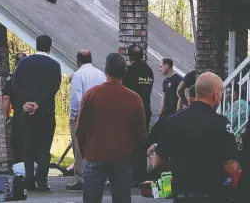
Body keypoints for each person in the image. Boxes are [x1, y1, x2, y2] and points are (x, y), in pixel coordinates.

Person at [153, 72, 240, 203]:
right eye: (221, 94)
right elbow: (231, 168)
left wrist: (179, 168)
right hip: (212, 194)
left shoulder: (172, 121)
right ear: (216, 95)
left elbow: (157, 162)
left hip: (182, 194)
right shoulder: (220, 123)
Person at [76, 53, 146, 203]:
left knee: (91, 199)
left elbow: (81, 129)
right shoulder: (134, 98)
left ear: (106, 70)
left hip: (95, 153)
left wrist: (85, 151)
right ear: (124, 73)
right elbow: (140, 134)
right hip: (122, 155)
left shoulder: (91, 94)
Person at [12, 35, 61, 191]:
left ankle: (29, 180)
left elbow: (15, 84)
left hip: (27, 112)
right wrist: (39, 103)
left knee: (29, 146)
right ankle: (41, 181)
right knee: (44, 148)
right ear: (49, 47)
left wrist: (26, 102)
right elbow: (54, 87)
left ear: (36, 45)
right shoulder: (54, 65)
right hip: (45, 111)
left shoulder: (24, 63)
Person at [66, 49, 106, 191]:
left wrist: (74, 117)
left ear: (78, 60)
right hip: (99, 116)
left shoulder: (79, 75)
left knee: (79, 147)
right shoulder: (101, 74)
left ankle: (81, 178)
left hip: (83, 116)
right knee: (96, 145)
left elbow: (77, 99)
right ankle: (98, 175)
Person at [123, 44, 154, 133]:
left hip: (132, 112)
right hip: (146, 110)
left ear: (129, 57)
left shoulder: (128, 71)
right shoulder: (149, 70)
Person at [2, 52, 27, 163]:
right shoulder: (33, 75)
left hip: (18, 114)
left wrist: (6, 116)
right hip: (34, 113)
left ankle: (19, 168)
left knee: (17, 143)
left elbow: (6, 98)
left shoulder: (11, 77)